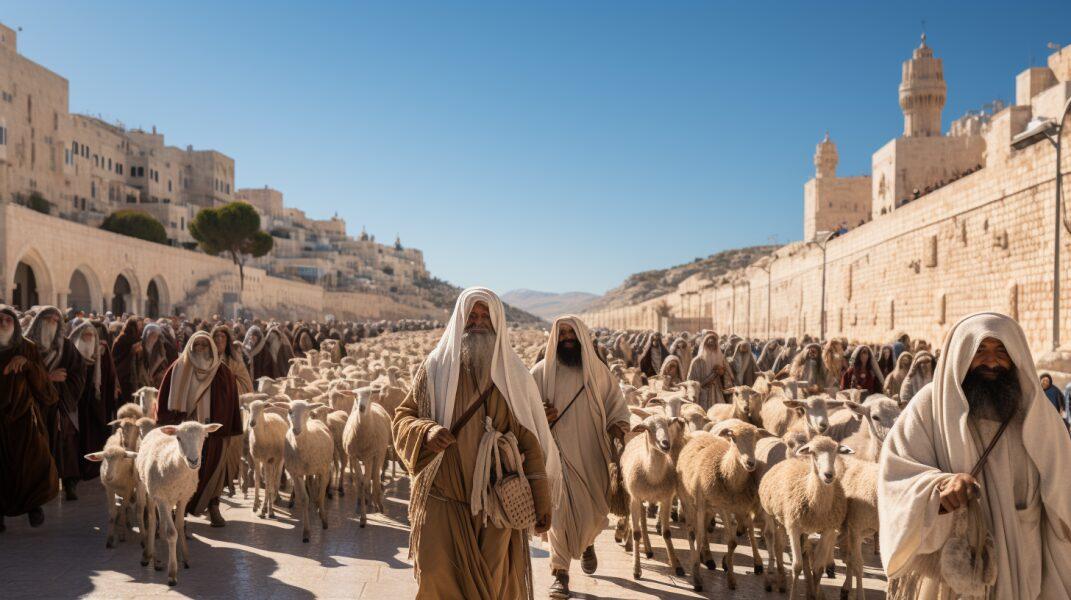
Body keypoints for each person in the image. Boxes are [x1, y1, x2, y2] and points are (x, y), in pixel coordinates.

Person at [878, 312, 1071, 598]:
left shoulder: (1038, 414)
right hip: (952, 570)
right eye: (979, 350)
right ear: (961, 354)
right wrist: (940, 489)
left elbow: (1063, 492)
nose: (991, 360)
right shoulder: (929, 408)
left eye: (1000, 351)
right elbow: (896, 476)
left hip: (1022, 564)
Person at [392, 288, 559, 599]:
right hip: (442, 499)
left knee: (494, 584)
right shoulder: (434, 369)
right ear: (460, 319)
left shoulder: (514, 377)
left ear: (497, 324)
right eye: (472, 316)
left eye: (486, 317)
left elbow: (530, 441)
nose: (478, 323)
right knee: (436, 576)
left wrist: (542, 499)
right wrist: (426, 431)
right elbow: (403, 417)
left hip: (496, 504)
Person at [532, 316, 629, 599]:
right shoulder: (540, 372)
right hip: (556, 455)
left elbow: (617, 405)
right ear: (554, 337)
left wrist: (618, 426)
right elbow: (522, 407)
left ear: (581, 335)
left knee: (596, 510)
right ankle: (559, 574)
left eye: (571, 331)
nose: (567, 337)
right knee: (558, 515)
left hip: (591, 451)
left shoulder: (598, 372)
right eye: (561, 332)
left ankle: (587, 543)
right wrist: (539, 411)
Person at [156, 332, 243, 527]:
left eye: (205, 344)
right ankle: (181, 513)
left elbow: (231, 401)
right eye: (197, 345)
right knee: (181, 472)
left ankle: (213, 506)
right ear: (190, 346)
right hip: (186, 435)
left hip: (212, 433)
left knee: (213, 471)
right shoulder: (177, 369)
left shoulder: (222, 372)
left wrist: (225, 427)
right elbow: (163, 400)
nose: (201, 348)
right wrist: (170, 423)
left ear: (211, 347)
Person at [0, 305, 59, 531]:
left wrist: (27, 366)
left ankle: (34, 505)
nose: (4, 324)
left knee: (34, 464)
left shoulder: (27, 348)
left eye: (8, 320)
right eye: (0, 320)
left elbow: (45, 388)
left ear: (15, 324)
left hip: (24, 419)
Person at [25, 306, 86, 500]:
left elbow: (79, 373)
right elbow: (21, 375)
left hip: (60, 405)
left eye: (55, 321)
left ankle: (69, 484)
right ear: (38, 322)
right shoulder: (27, 346)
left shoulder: (66, 347)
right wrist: (47, 378)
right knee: (37, 445)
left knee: (65, 444)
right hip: (33, 404)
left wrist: (66, 389)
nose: (51, 324)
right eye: (47, 320)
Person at [69, 320, 117, 482]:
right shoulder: (72, 353)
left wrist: (110, 398)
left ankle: (93, 468)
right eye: (85, 335)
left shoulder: (102, 351)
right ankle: (77, 470)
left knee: (95, 435)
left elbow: (110, 377)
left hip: (97, 402)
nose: (88, 338)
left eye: (91, 335)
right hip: (76, 403)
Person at [686, 332, 729, 409]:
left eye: (713, 345)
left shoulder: (720, 359)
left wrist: (721, 372)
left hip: (716, 393)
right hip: (702, 394)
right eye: (709, 344)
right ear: (704, 345)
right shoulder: (696, 361)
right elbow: (690, 380)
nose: (711, 347)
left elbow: (726, 377)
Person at [211, 324, 254, 395]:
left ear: (227, 340)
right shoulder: (207, 359)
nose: (219, 339)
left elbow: (246, 384)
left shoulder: (235, 361)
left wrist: (227, 381)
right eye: (216, 336)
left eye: (222, 336)